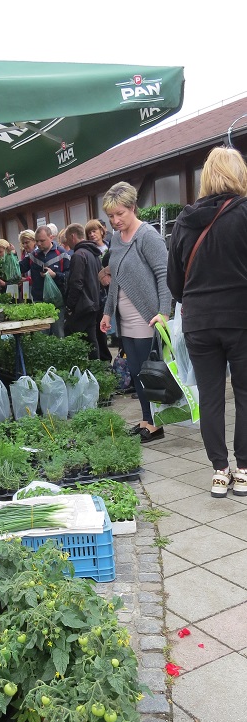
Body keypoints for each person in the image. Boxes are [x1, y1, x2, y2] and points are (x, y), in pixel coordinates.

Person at [167, 146, 247, 497]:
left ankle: (219, 471)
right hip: (240, 318)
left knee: (210, 396)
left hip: (198, 321)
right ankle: (244, 469)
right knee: (245, 395)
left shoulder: (185, 221)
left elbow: (174, 282)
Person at [100, 181, 172, 443]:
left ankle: (154, 424)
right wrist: (107, 313)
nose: (115, 220)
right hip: (124, 318)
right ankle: (146, 419)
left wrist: (164, 312)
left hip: (146, 317)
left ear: (133, 208)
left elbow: (165, 275)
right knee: (135, 372)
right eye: (110, 216)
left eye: (120, 214)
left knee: (146, 372)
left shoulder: (148, 236)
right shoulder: (117, 240)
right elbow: (115, 278)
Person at [63, 223, 101, 358]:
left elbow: (76, 283)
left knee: (72, 338)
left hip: (82, 306)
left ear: (73, 236)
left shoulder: (78, 255)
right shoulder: (93, 253)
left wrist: (69, 306)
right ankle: (96, 369)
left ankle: (79, 370)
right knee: (92, 340)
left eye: (67, 238)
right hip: (94, 303)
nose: (66, 242)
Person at [19, 225, 69, 303]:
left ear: (51, 237)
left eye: (42, 241)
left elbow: (69, 275)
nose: (38, 244)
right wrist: (11, 255)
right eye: (37, 241)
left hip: (58, 300)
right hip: (38, 300)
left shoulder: (62, 253)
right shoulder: (33, 255)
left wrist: (55, 275)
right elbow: (19, 269)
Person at [85, 219, 112, 361]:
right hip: (100, 294)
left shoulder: (110, 247)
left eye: (94, 231)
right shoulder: (90, 251)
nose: (92, 235)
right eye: (89, 232)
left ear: (102, 231)